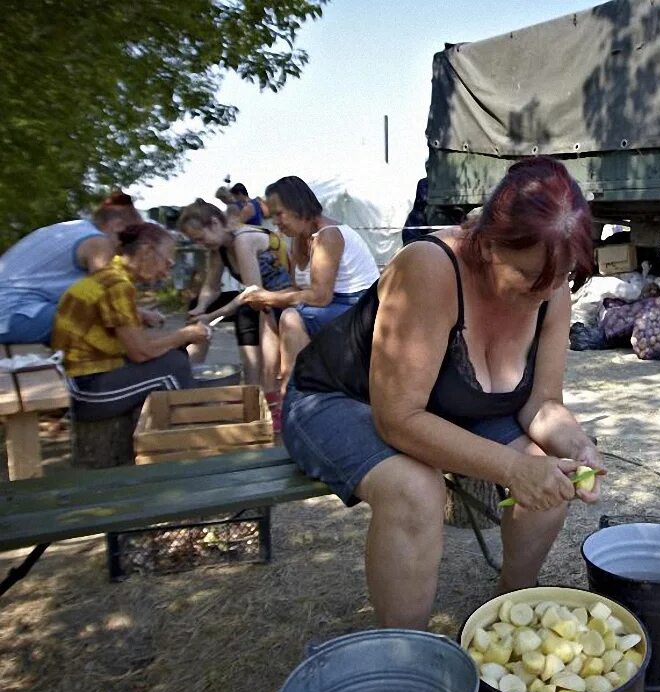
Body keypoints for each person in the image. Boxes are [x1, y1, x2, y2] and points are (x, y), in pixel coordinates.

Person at [282, 157, 604, 629]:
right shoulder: (431, 267)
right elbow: (398, 419)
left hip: (444, 405)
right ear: (488, 244)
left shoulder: (550, 285)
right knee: (415, 490)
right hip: (335, 398)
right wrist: (515, 469)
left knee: (552, 473)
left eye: (560, 281)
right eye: (528, 281)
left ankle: (508, 615)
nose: (545, 295)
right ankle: (407, 660)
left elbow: (543, 404)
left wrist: (577, 445)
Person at [51, 223, 210, 421]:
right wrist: (184, 335)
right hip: (84, 391)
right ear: (146, 251)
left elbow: (135, 341)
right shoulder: (118, 285)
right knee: (174, 367)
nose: (166, 272)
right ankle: (185, 436)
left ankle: (167, 426)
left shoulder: (110, 274)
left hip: (81, 378)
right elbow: (140, 352)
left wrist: (178, 339)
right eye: (167, 262)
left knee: (173, 354)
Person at [241, 176, 379, 402]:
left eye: (279, 213)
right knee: (268, 314)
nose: (275, 222)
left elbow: (320, 297)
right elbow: (297, 288)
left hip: (360, 307)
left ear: (298, 207)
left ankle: (294, 394)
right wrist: (265, 300)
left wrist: (270, 297)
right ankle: (270, 392)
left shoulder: (328, 236)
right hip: (337, 304)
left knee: (290, 318)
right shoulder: (299, 239)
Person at [176, 199, 292, 391]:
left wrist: (211, 316)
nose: (200, 245)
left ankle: (254, 383)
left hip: (280, 297)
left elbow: (253, 293)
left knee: (247, 312)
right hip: (257, 297)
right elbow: (211, 288)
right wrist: (201, 309)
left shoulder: (243, 239)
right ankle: (190, 374)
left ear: (214, 223)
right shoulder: (219, 247)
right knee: (196, 307)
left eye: (200, 239)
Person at [0, 198, 144, 344]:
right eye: (133, 236)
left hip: (13, 311)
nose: (131, 246)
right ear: (117, 225)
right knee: (107, 326)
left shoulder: (74, 229)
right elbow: (108, 298)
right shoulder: (99, 243)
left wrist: (137, 313)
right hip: (11, 317)